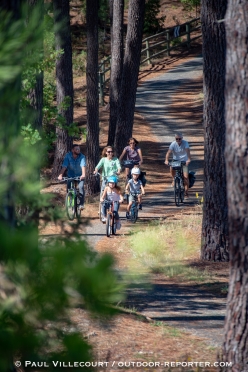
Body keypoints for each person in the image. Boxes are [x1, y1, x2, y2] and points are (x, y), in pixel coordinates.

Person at [58, 144, 86, 209]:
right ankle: (70, 201)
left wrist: (83, 174)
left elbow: (83, 166)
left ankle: (81, 204)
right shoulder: (68, 156)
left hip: (80, 176)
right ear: (72, 150)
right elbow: (64, 166)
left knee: (81, 187)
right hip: (70, 175)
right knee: (69, 188)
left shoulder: (82, 156)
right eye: (76, 149)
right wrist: (60, 175)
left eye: (79, 149)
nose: (78, 150)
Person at [164, 132, 191, 197]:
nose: (178, 140)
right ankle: (173, 179)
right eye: (177, 139)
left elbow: (188, 151)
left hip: (184, 160)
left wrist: (189, 159)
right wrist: (166, 160)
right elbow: (168, 152)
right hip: (176, 160)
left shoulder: (185, 143)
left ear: (182, 138)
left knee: (186, 178)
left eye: (179, 139)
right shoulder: (173, 144)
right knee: (171, 167)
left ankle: (186, 191)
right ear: (175, 139)